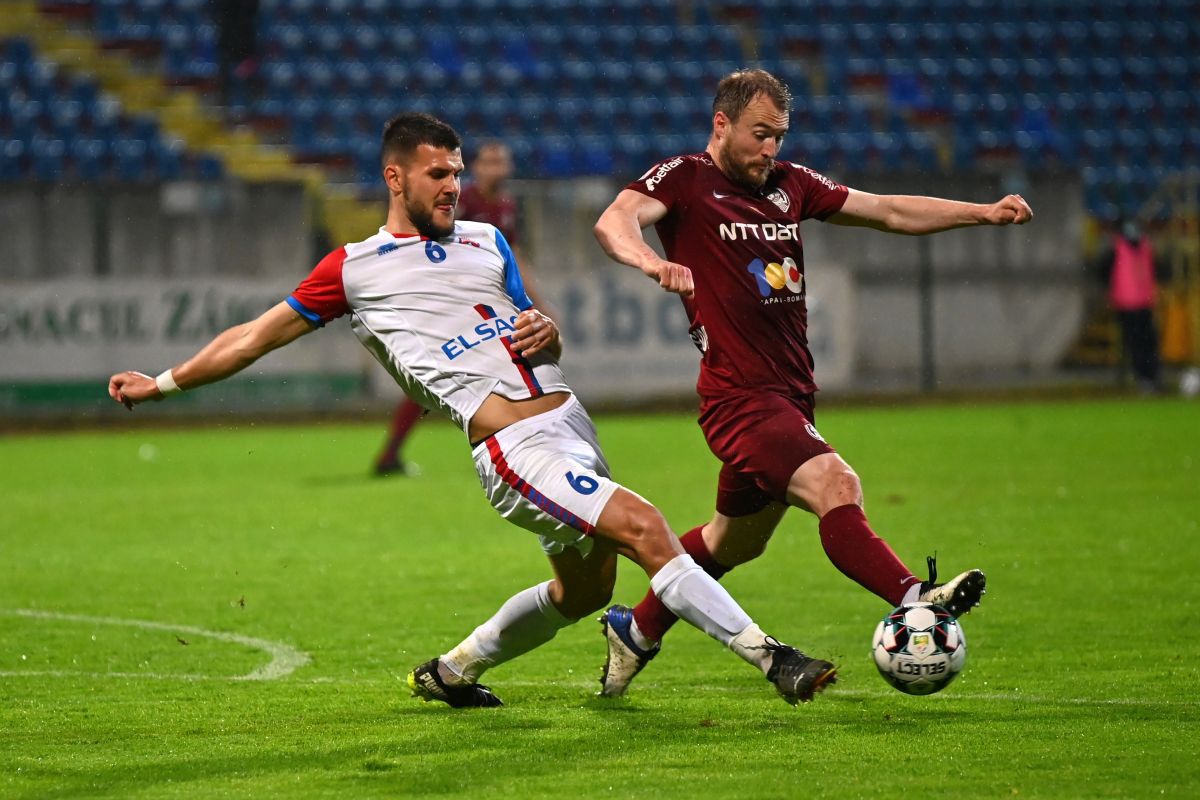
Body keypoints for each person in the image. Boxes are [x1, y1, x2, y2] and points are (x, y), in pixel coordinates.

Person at [107, 112, 837, 707]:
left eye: (457, 172)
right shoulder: (355, 268)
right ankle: (774, 660)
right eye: (438, 174)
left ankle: (453, 671)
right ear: (395, 177)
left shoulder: (487, 240)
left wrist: (550, 330)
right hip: (514, 452)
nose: (454, 185)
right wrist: (162, 383)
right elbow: (250, 339)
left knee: (584, 592)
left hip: (570, 426)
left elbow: (534, 329)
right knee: (645, 526)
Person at [592, 69, 1033, 697]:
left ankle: (635, 632)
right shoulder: (686, 179)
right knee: (835, 482)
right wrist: (651, 261)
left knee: (731, 541)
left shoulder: (791, 185)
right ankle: (917, 598)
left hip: (789, 395)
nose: (771, 149)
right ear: (722, 125)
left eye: (780, 136)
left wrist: (982, 213)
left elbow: (887, 211)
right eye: (760, 135)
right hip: (739, 398)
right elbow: (615, 221)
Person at [373, 140, 541, 476]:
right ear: (476, 167)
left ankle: (525, 449)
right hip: (449, 304)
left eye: (502, 161)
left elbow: (513, 256)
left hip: (484, 306)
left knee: (505, 369)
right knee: (435, 382)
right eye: (490, 161)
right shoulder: (458, 201)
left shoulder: (508, 205)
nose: (497, 168)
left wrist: (535, 302)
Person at [1097, 219, 1163, 393]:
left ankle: (1149, 378)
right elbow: (1102, 272)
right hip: (1127, 304)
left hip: (1143, 303)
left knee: (1146, 343)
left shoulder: (1138, 248)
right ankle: (1145, 379)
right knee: (1137, 344)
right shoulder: (1118, 250)